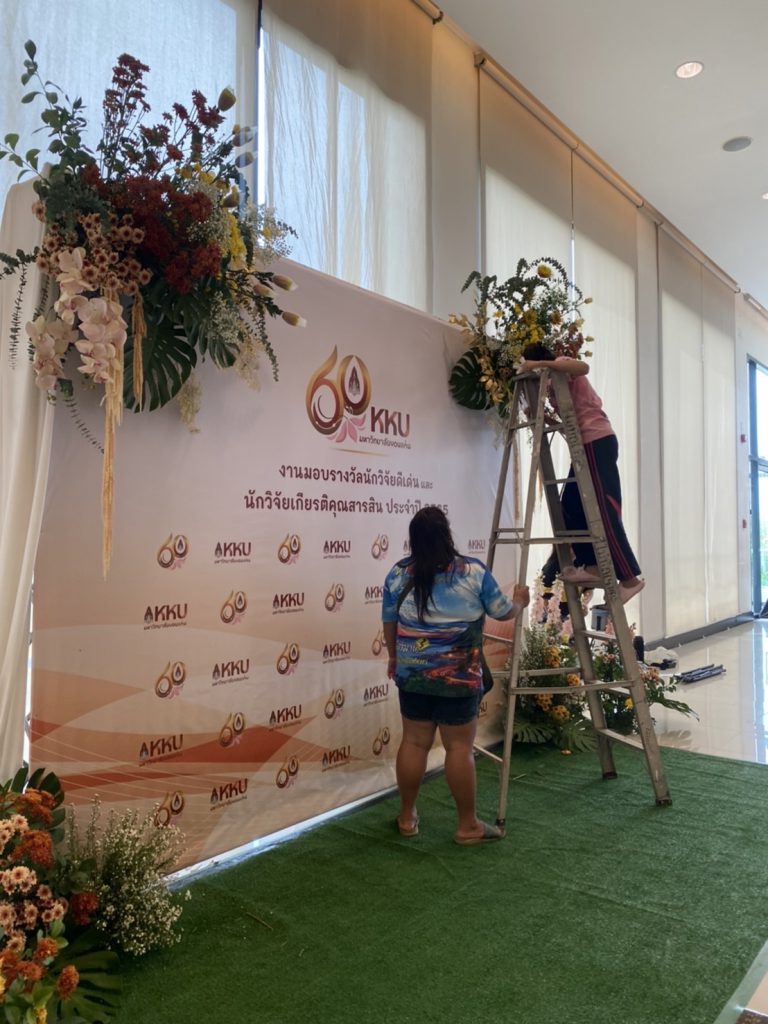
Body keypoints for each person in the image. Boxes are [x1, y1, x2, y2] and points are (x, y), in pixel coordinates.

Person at [381, 506, 530, 845]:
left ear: (413, 539)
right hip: (459, 679)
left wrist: (393, 657)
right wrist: (520, 601)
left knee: (413, 742)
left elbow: (389, 621)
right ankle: (467, 826)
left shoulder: (397, 573)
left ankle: (407, 818)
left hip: (412, 674)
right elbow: (503, 612)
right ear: (447, 535)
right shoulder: (472, 572)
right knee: (459, 748)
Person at [519, 343, 644, 604]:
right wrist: (542, 419)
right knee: (570, 506)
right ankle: (592, 565)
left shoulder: (561, 365)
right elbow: (569, 425)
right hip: (582, 447)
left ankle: (630, 579)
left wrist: (541, 365)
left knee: (604, 512)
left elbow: (582, 366)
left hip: (596, 442)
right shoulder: (553, 385)